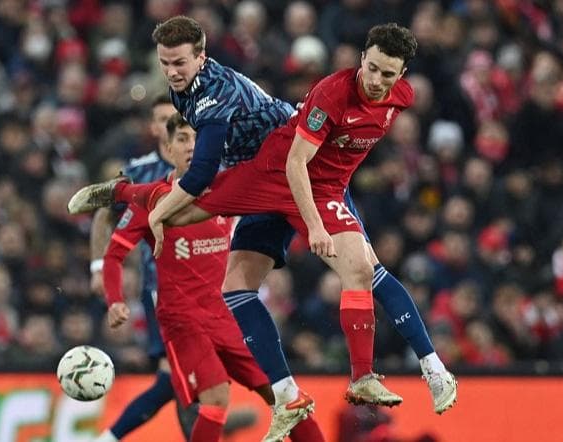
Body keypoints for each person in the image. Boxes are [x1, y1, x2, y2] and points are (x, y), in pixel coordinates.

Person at [68, 17, 456, 439]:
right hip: (270, 173)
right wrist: (121, 265)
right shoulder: (315, 94)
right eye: (165, 63)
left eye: (388, 73)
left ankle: (421, 369)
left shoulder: (399, 97)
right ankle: (121, 191)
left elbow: (224, 169)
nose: (378, 80)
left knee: (363, 268)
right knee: (227, 280)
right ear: (362, 59)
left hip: (308, 181)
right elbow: (235, 171)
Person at [99, 113, 325, 442]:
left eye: (197, 139)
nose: (191, 146)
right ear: (168, 148)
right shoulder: (152, 200)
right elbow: (114, 255)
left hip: (229, 317)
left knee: (285, 396)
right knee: (217, 398)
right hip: (183, 321)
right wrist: (115, 300)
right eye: (182, 139)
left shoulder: (226, 188)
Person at [91, 95, 198, 441]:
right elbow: (103, 216)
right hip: (164, 293)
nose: (171, 127)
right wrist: (99, 268)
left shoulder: (210, 167)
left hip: (210, 291)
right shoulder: (139, 173)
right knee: (180, 378)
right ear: (154, 128)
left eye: (177, 120)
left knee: (188, 381)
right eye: (164, 120)